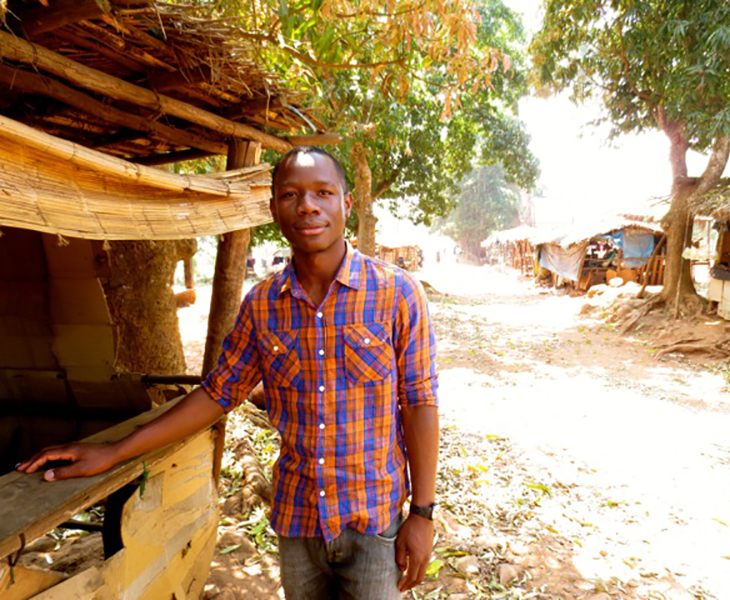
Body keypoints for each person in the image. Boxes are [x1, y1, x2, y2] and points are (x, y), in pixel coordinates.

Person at [17, 146, 440, 599]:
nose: (308, 206)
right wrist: (113, 452)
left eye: (323, 192)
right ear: (274, 207)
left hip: (374, 522)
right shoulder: (262, 305)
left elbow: (419, 403)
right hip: (298, 521)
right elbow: (218, 394)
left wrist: (423, 513)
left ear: (346, 204)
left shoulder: (397, 295)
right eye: (291, 195)